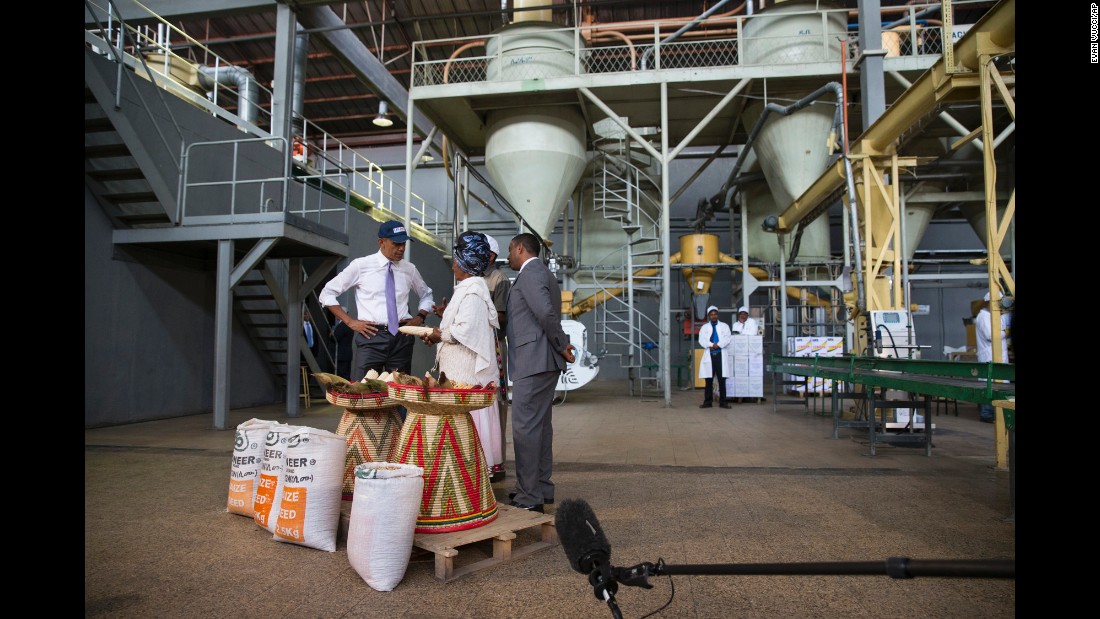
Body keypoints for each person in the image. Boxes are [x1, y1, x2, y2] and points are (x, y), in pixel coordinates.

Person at [418, 231, 503, 479]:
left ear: (465, 263)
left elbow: (464, 331)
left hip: (466, 376)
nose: (453, 264)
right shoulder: (468, 288)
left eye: (456, 260)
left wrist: (438, 335)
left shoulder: (474, 292)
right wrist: (439, 330)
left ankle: (470, 479)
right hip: (458, 371)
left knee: (467, 433)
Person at [505, 232, 575, 512]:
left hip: (533, 361)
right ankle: (541, 488)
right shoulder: (541, 273)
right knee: (540, 429)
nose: (508, 256)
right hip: (542, 361)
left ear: (520, 248)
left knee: (525, 430)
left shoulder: (531, 271)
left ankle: (529, 496)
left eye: (511, 250)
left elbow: (545, 313)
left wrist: (562, 345)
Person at [318, 220, 434, 381]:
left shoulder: (409, 270)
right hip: (371, 336)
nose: (401, 248)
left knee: (400, 393)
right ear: (381, 242)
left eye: (404, 243)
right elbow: (327, 293)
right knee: (365, 393)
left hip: (402, 338)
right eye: (396, 243)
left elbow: (427, 294)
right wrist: (350, 322)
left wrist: (420, 317)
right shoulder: (361, 266)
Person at [482, 235, 511, 484]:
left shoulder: (498, 279)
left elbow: (501, 317)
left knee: (494, 402)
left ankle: (496, 463)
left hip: (493, 347)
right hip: (475, 346)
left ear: (490, 255)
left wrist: (475, 316)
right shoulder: (472, 278)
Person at [975, 291, 1010, 423]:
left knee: (999, 385)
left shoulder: (996, 315)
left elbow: (1006, 321)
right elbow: (991, 336)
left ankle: (998, 414)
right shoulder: (983, 316)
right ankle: (986, 414)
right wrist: (1006, 332)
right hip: (988, 356)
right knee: (989, 385)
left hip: (998, 356)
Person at [697, 305, 732, 409]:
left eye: (715, 314)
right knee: (708, 380)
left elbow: (727, 338)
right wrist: (711, 345)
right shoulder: (704, 327)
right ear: (709, 316)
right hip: (710, 355)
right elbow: (701, 340)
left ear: (717, 314)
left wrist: (718, 345)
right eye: (711, 314)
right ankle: (707, 402)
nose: (713, 316)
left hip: (721, 355)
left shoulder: (724, 326)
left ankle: (723, 402)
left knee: (722, 380)